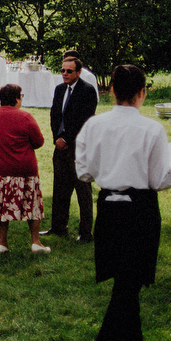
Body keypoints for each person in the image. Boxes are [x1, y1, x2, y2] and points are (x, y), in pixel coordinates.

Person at [78, 65, 171, 341]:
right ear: (142, 92)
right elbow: (157, 179)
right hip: (140, 211)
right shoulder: (152, 130)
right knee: (126, 289)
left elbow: (84, 173)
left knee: (126, 285)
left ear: (112, 90)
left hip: (108, 210)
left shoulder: (93, 125)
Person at [0, 83, 49, 254]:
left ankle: (3, 243)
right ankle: (35, 241)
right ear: (17, 98)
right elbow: (39, 142)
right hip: (23, 169)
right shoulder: (26, 117)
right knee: (32, 205)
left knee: (1, 206)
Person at [43, 56, 98, 242]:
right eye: (62, 70)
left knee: (83, 190)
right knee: (60, 188)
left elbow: (85, 119)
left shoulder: (87, 91)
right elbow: (54, 115)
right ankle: (58, 226)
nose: (64, 74)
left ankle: (85, 232)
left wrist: (67, 138)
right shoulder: (59, 89)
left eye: (69, 71)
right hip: (60, 147)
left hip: (78, 148)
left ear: (78, 72)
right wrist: (56, 138)